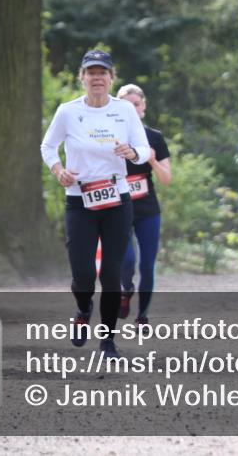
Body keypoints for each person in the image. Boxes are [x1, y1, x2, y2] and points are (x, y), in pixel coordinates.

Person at [40, 50, 151, 359]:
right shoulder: (68, 111)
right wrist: (59, 170)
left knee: (112, 274)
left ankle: (108, 340)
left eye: (103, 73)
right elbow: (48, 146)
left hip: (117, 199)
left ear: (111, 78)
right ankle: (83, 307)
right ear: (83, 78)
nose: (98, 78)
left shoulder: (125, 111)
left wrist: (132, 153)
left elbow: (144, 149)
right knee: (84, 273)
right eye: (92, 73)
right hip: (79, 199)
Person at [115, 84, 172, 325]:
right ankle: (126, 289)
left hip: (147, 209)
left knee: (147, 265)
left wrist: (152, 160)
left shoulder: (155, 138)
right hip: (118, 208)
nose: (132, 109)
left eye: (136, 104)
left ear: (143, 107)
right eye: (126, 105)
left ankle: (143, 316)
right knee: (127, 261)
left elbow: (166, 179)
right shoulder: (111, 137)